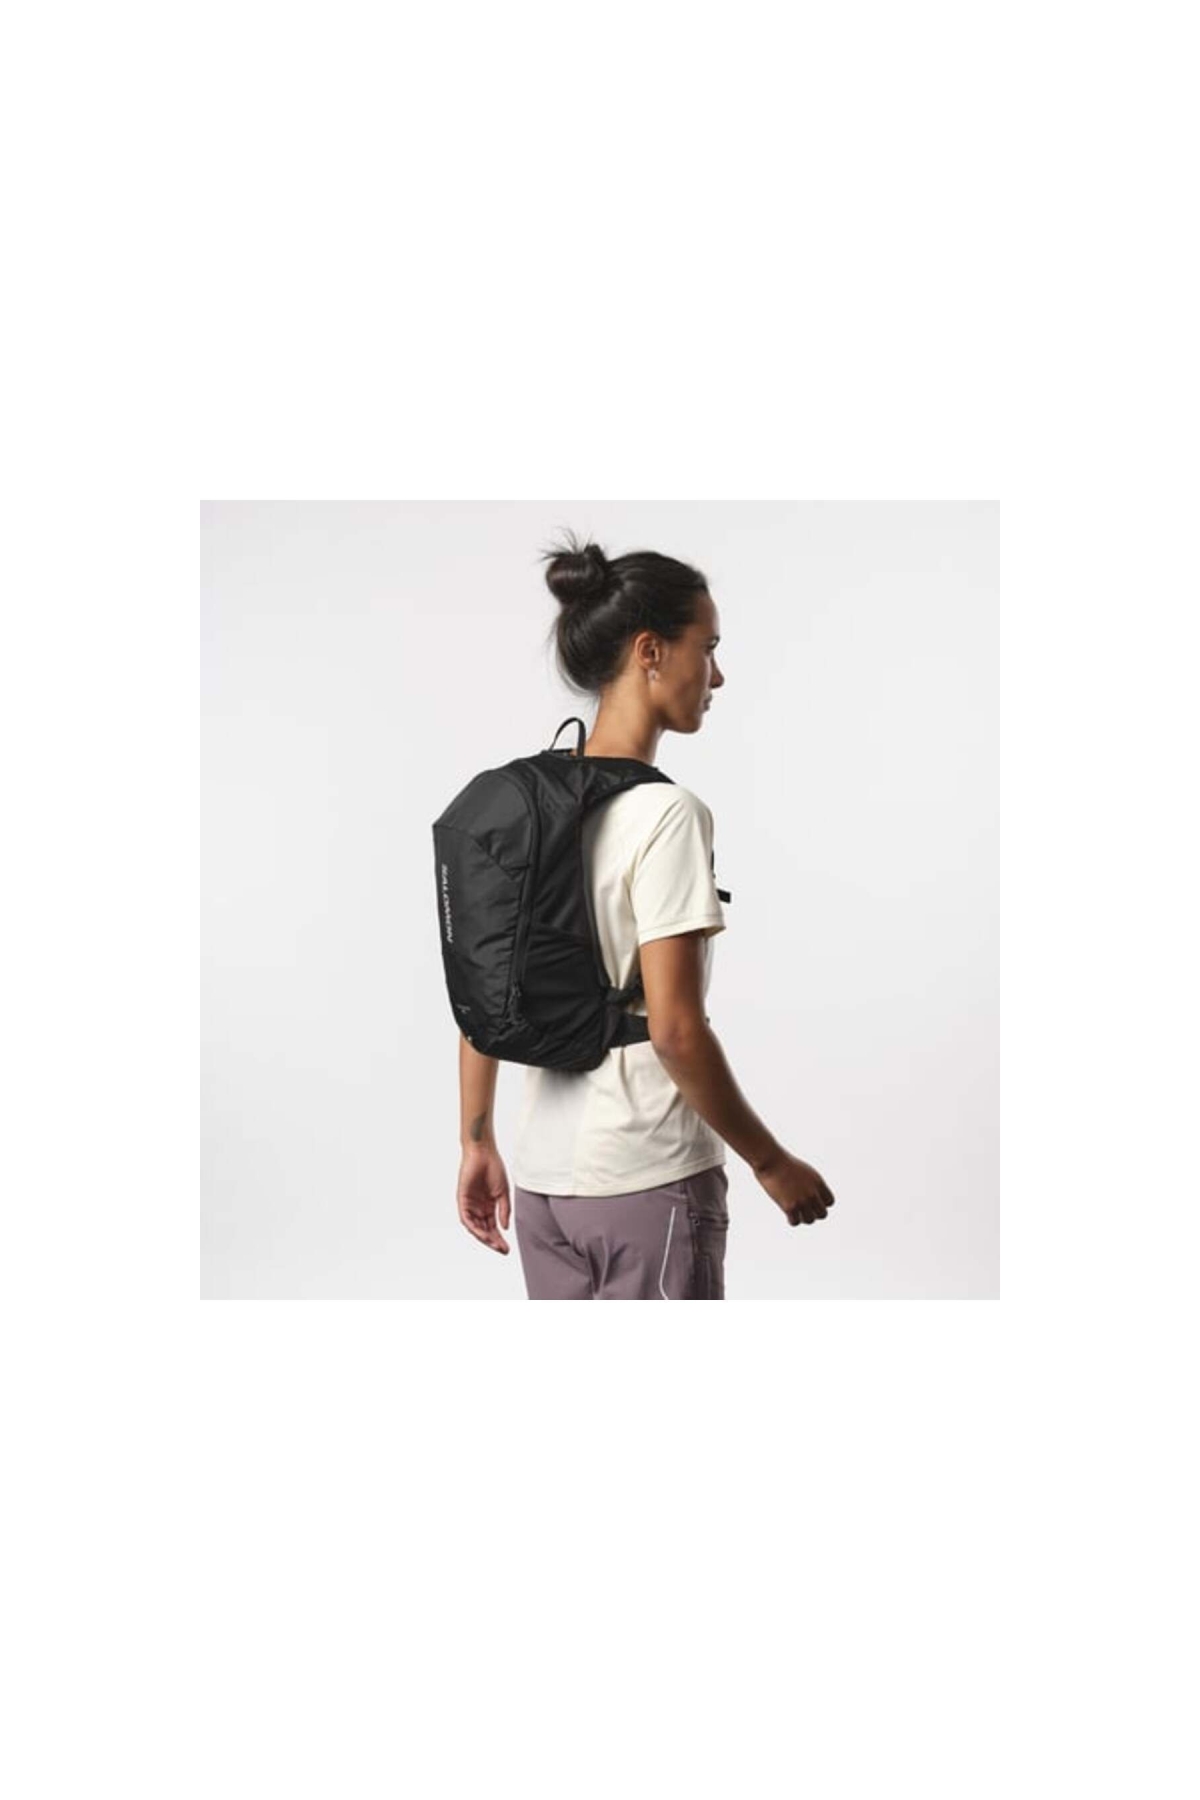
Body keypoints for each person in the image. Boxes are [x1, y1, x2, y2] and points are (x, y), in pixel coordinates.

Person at [455, 530, 835, 1298]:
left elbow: (485, 988)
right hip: (647, 1175)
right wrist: (770, 1162)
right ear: (650, 651)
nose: (717, 675)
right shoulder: (667, 815)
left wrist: (476, 1142)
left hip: (545, 1186)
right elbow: (675, 1031)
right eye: (708, 648)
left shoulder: (529, 806)